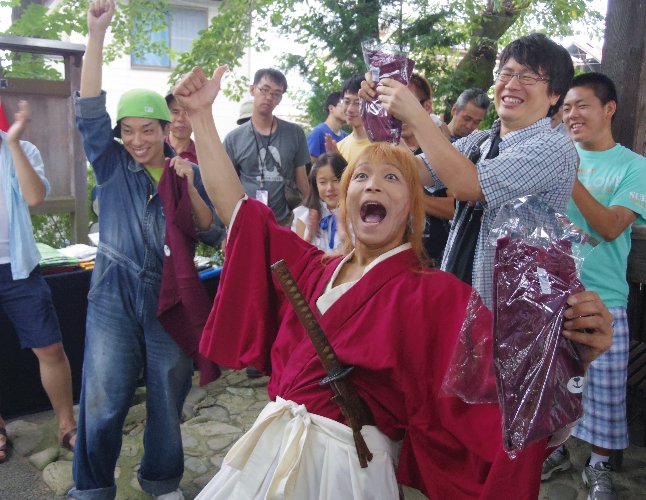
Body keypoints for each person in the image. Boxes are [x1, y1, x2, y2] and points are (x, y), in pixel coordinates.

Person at [172, 64, 614, 500]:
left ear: (412, 207)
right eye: (360, 177)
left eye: (391, 178)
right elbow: (239, 213)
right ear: (345, 200)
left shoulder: (436, 296)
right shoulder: (310, 268)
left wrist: (574, 355)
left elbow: (506, 395)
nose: (373, 186)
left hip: (349, 471)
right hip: (268, 453)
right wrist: (201, 117)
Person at [69, 2, 222, 499]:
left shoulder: (185, 170)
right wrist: (97, 35)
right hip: (112, 296)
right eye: (128, 130)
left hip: (169, 296)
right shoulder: (112, 165)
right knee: (103, 401)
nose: (137, 140)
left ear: (164, 128)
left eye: (147, 129)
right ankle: (92, 488)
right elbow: (89, 108)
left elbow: (211, 233)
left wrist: (190, 187)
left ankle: (161, 480)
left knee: (167, 399)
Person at [362, 33, 578, 307]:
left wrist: (415, 115)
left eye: (528, 77)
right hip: (460, 300)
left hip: (511, 314)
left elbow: (469, 185)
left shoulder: (555, 146)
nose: (512, 85)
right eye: (506, 74)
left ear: (555, 94)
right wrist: (381, 115)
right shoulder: (480, 141)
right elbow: (412, 170)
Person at [542, 73, 646, 500]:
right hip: (550, 294)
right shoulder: (553, 154)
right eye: (566, 107)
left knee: (603, 388)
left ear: (609, 108)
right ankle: (558, 449)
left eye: (582, 105)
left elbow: (609, 226)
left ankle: (600, 464)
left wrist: (568, 176)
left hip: (605, 297)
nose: (572, 114)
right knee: (552, 384)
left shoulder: (634, 166)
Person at [0, 100, 77, 462]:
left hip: (18, 266)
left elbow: (34, 196)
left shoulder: (21, 147)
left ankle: (66, 425)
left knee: (50, 347)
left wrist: (14, 142)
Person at [223, 67, 309, 226]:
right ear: (252, 90)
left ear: (280, 99)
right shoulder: (233, 139)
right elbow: (227, 186)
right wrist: (228, 226)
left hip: (284, 222)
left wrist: (309, 214)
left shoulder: (295, 133)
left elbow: (302, 180)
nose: (269, 97)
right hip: (246, 222)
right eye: (265, 90)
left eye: (276, 94)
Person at [402, 73, 454, 264]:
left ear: (427, 106)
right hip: (397, 259)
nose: (399, 113)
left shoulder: (444, 150)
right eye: (393, 106)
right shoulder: (385, 150)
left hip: (435, 261)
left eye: (406, 104)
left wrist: (416, 200)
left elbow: (458, 207)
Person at [292, 153, 347, 252]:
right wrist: (309, 236)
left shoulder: (357, 215)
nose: (330, 188)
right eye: (322, 182)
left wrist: (345, 238)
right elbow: (296, 255)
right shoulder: (304, 215)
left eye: (335, 180)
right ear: (315, 184)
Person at [335, 75, 371, 165]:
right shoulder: (338, 148)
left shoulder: (382, 145)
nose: (350, 109)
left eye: (358, 103)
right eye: (346, 102)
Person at [307, 91, 348, 164]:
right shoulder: (318, 133)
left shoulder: (346, 137)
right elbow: (309, 166)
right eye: (344, 105)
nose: (348, 109)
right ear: (331, 108)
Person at [165, 92, 197, 163]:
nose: (181, 119)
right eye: (175, 112)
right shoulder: (153, 149)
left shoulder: (204, 157)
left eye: (188, 113)